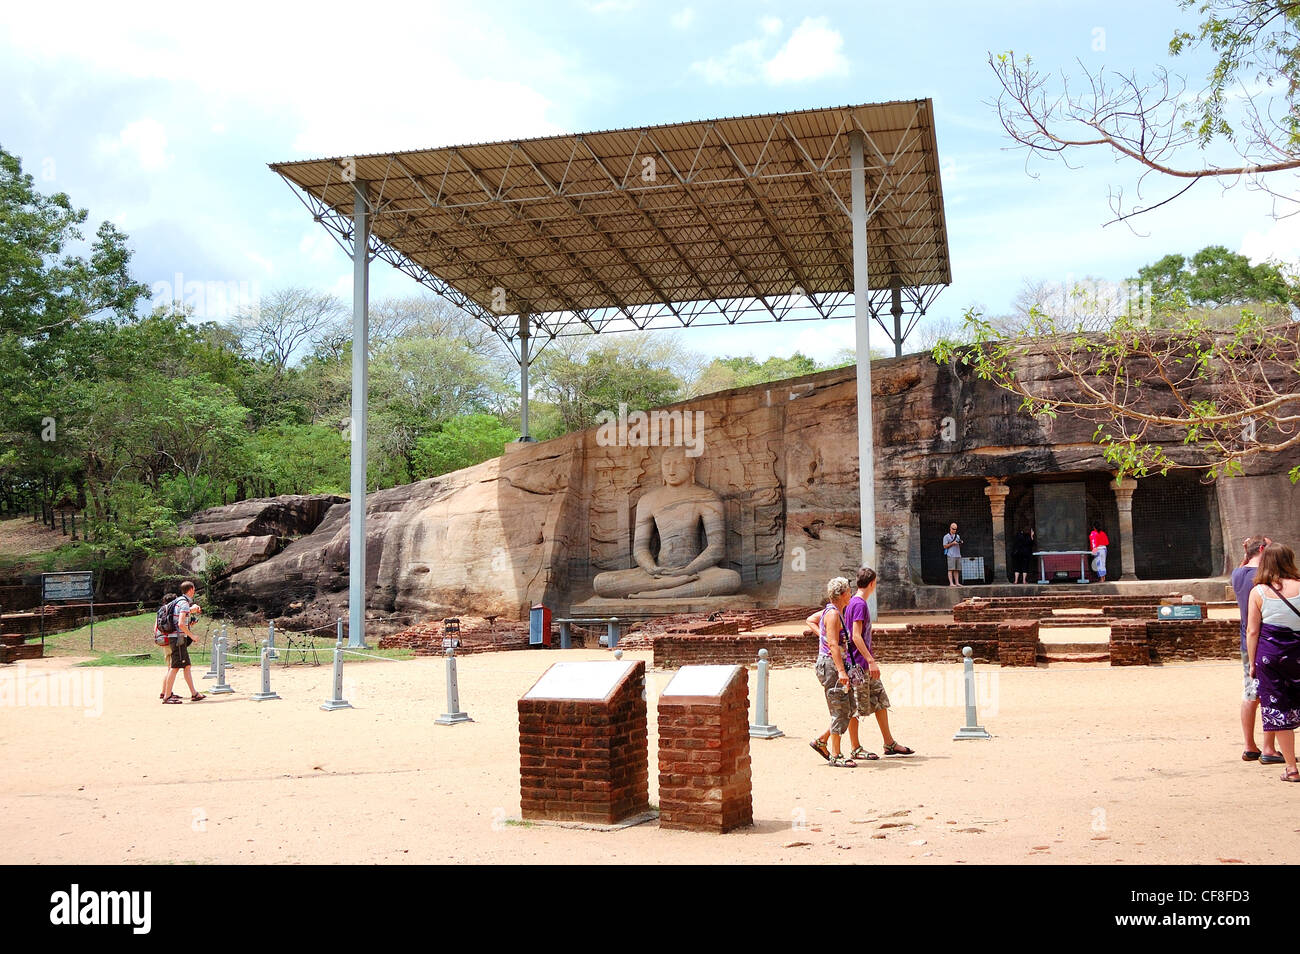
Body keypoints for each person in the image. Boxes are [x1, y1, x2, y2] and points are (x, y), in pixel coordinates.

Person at [592, 447, 741, 599]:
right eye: (667, 464)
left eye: (678, 464)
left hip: (697, 571)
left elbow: (716, 549)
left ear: (691, 467)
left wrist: (687, 570)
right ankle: (664, 586)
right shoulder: (648, 500)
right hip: (658, 573)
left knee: (730, 579)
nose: (671, 470)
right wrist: (652, 568)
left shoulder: (707, 498)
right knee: (601, 582)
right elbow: (640, 549)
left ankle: (653, 594)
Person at [841, 566, 914, 758]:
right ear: (872, 583)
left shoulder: (853, 604)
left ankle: (889, 743)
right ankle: (855, 747)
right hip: (859, 665)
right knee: (855, 707)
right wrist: (871, 660)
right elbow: (856, 636)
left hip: (862, 663)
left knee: (881, 700)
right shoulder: (859, 605)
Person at [1245, 543, 1300, 782]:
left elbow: (1252, 631)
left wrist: (1252, 663)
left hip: (1271, 656)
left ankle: (1291, 768)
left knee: (1278, 709)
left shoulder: (1258, 592)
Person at [1234, 535, 1280, 763]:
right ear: (1262, 549)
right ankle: (1269, 748)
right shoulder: (1265, 578)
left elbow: (1244, 564)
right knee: (1269, 693)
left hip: (1246, 642)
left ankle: (1249, 745)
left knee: (1250, 693)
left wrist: (1246, 551)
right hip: (1266, 641)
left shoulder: (1237, 574)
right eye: (1269, 550)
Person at [808, 577, 857, 768]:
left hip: (834, 663)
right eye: (849, 591)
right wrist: (841, 671)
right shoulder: (833, 614)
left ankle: (822, 741)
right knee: (839, 708)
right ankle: (836, 755)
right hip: (832, 665)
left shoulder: (834, 612)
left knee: (850, 707)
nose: (851, 594)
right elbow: (833, 644)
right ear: (843, 594)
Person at [161, 581, 204, 704]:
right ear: (190, 590)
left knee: (186, 666)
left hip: (176, 638)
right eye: (194, 589)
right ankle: (167, 696)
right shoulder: (184, 603)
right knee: (174, 667)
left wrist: (189, 624)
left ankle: (194, 693)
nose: (194, 591)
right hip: (178, 639)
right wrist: (192, 636)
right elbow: (180, 623)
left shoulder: (179, 602)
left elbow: (179, 621)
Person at [156, 591, 179, 702]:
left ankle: (165, 691)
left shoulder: (161, 611)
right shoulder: (171, 612)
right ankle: (166, 693)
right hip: (171, 641)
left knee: (170, 668)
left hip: (163, 641)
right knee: (172, 668)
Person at [943, 522, 963, 587]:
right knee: (951, 569)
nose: (954, 530)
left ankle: (957, 583)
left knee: (957, 569)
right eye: (953, 529)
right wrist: (952, 543)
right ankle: (951, 583)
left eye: (955, 529)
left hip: (957, 554)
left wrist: (960, 543)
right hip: (951, 554)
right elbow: (945, 546)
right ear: (950, 528)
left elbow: (959, 545)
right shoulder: (946, 536)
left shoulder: (957, 536)